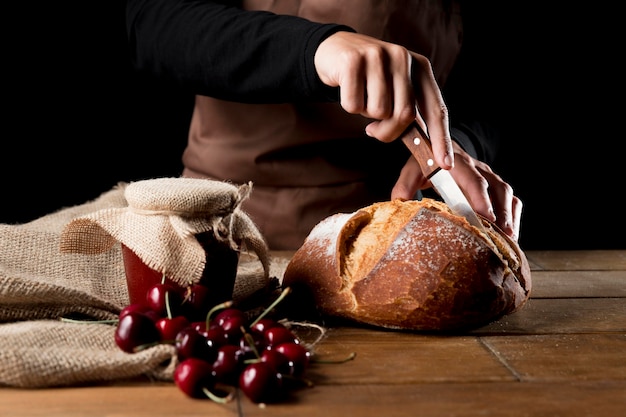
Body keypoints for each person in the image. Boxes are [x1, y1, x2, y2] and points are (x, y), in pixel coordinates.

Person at [125, 0, 521, 250]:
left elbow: (494, 84)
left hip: (389, 240)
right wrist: (313, 48)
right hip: (225, 232)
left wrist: (457, 142)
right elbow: (146, 22)